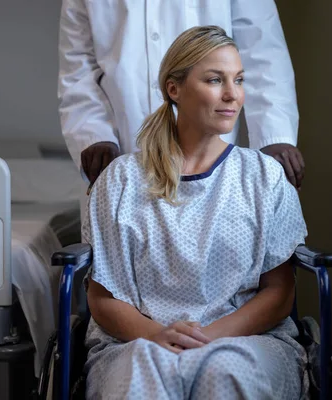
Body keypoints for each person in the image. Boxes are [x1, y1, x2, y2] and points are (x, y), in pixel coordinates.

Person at [82, 25, 309, 399]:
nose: (232, 95)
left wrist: (209, 338)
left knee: (224, 371)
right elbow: (104, 297)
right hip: (134, 341)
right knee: (140, 380)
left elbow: (279, 290)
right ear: (174, 89)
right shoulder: (120, 180)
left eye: (238, 80)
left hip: (246, 339)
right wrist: (157, 336)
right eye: (215, 80)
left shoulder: (263, 177)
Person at [58, 0, 305, 212]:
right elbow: (78, 66)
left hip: (212, 160)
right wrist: (93, 135)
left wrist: (274, 133)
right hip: (122, 149)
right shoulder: (117, 176)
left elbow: (262, 50)